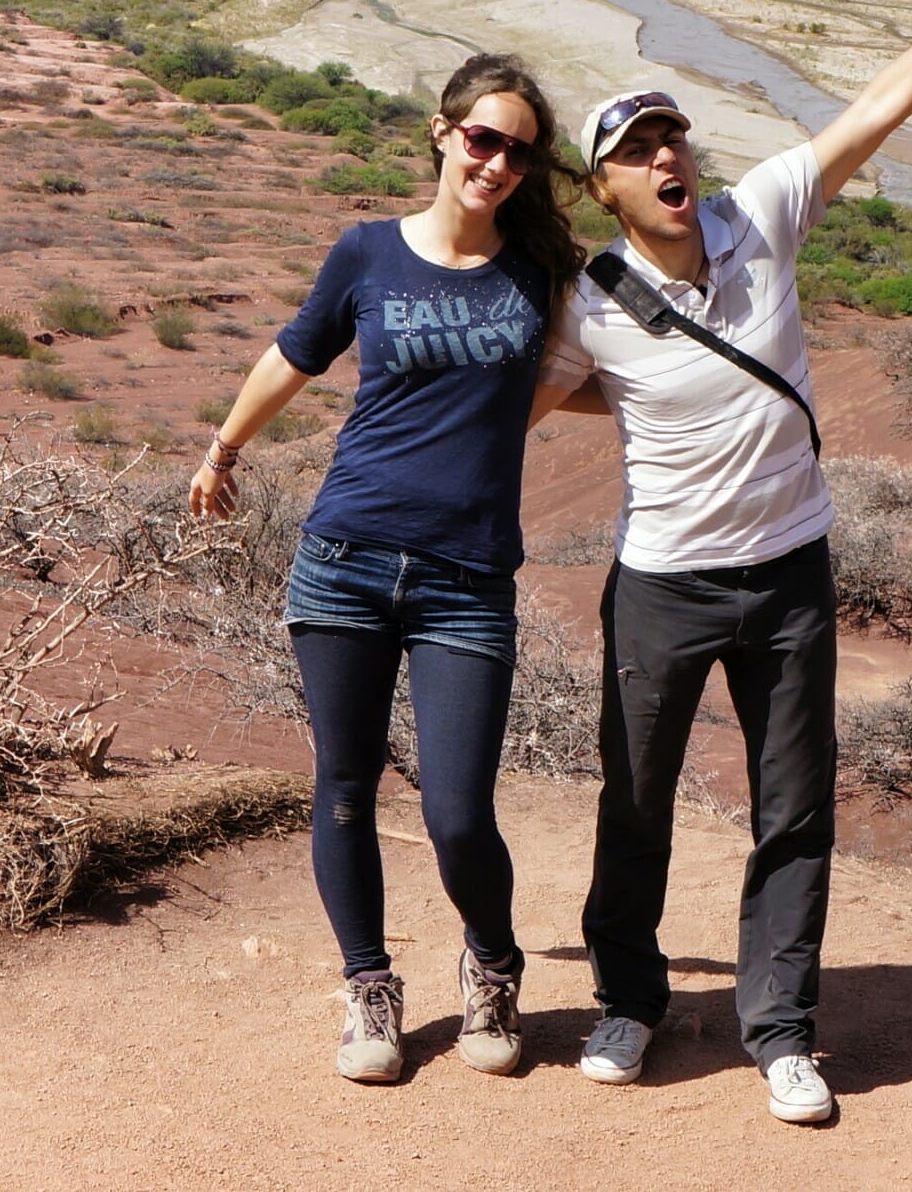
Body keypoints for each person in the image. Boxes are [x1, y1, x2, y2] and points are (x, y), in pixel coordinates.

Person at [535, 0, 912, 1126]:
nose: (666, 157)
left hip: (786, 572)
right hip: (664, 582)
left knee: (795, 806)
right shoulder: (589, 303)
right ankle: (628, 1000)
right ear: (602, 185)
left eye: (674, 136)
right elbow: (540, 400)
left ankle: (778, 1029)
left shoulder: (761, 214)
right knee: (634, 797)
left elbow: (883, 105)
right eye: (637, 148)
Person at [189, 53, 581, 1086]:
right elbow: (294, 353)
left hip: (466, 577)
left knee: (457, 810)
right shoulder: (367, 252)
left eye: (518, 151)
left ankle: (492, 964)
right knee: (346, 789)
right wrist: (224, 446)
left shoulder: (539, 273)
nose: (496, 162)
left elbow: (585, 373)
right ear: (442, 134)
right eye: (483, 138)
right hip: (345, 559)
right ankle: (369, 987)